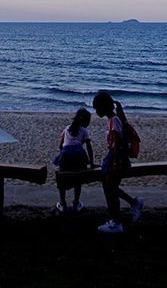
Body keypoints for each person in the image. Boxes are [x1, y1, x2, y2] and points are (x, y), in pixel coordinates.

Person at [92, 91, 142, 233]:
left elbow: (117, 141)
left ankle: (118, 219)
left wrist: (115, 162)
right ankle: (117, 218)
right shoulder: (114, 119)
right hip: (113, 156)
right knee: (110, 188)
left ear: (103, 107)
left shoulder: (114, 120)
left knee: (110, 189)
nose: (96, 112)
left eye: (97, 108)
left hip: (115, 157)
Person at [53, 107, 94, 213]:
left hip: (66, 154)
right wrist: (91, 162)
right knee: (78, 179)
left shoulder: (67, 128)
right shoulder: (84, 130)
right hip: (78, 155)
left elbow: (60, 146)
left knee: (62, 178)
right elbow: (89, 147)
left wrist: (63, 154)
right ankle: (76, 203)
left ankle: (63, 204)